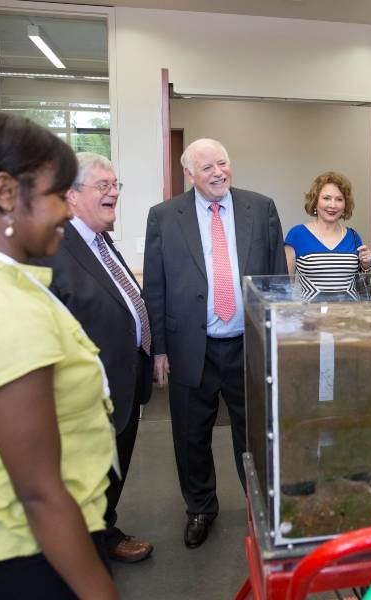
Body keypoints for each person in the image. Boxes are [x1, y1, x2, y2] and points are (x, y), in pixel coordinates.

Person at [0, 112, 118, 598]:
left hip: (17, 544)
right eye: (57, 196)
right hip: (17, 554)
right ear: (7, 194)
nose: (68, 212)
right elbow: (39, 493)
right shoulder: (3, 307)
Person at [143, 138, 287, 549]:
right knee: (191, 436)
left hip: (248, 345)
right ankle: (201, 508)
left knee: (255, 434)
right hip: (193, 345)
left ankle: (259, 508)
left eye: (223, 163)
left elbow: (276, 280)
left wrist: (274, 338)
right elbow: (155, 287)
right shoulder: (165, 217)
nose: (217, 172)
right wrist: (160, 349)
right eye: (206, 167)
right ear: (189, 174)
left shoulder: (260, 208)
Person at [33, 153, 154, 564]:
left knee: (111, 472)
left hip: (124, 380)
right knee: (86, 474)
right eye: (103, 185)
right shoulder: (55, 249)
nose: (114, 192)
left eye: (116, 184)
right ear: (71, 194)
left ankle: (103, 531)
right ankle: (82, 551)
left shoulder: (100, 241)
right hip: (85, 394)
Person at [284, 171, 371, 299]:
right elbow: (286, 286)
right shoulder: (297, 235)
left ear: (345, 205)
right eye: (326, 198)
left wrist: (366, 265)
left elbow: (363, 282)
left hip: (349, 316)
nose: (332, 205)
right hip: (312, 317)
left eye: (339, 199)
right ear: (315, 201)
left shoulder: (353, 236)